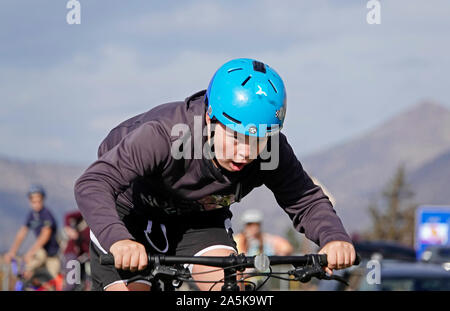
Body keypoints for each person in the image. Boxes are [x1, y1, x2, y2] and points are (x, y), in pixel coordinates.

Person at [74, 58, 356, 291]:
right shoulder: (167, 135)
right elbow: (92, 183)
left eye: (257, 141)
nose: (245, 153)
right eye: (236, 138)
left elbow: (305, 199)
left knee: (232, 289)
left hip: (199, 220)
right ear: (211, 117)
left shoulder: (271, 149)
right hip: (130, 217)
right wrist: (118, 239)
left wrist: (334, 238)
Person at [3, 185, 60, 280]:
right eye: (34, 202)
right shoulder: (32, 215)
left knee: (55, 281)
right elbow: (22, 232)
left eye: (39, 201)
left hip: (52, 255)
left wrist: (31, 252)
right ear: (30, 201)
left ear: (43, 200)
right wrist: (12, 252)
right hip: (40, 252)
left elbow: (45, 235)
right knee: (29, 275)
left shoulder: (46, 213)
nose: (36, 204)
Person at [62, 211, 90, 290]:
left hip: (85, 257)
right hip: (72, 253)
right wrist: (69, 230)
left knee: (83, 284)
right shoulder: (86, 212)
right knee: (71, 284)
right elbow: (68, 216)